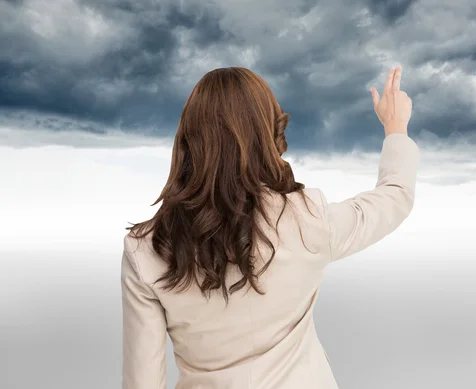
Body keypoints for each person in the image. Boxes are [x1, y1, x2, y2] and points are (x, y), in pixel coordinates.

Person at [121, 65, 419, 389]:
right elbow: (394, 198)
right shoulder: (309, 218)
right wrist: (395, 128)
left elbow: (142, 382)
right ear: (269, 133)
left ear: (188, 140)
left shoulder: (146, 248)